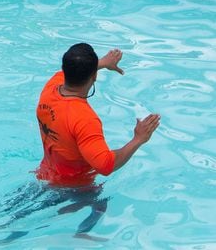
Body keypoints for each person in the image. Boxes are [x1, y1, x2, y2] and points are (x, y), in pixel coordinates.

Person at [35, 43, 160, 188]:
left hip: (44, 173)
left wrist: (103, 63)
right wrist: (138, 139)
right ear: (94, 76)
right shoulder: (85, 120)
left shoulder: (50, 89)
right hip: (75, 189)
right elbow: (105, 166)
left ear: (64, 69)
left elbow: (71, 70)